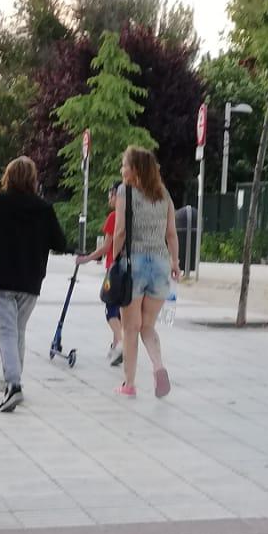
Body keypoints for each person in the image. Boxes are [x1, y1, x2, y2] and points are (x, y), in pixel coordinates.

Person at [0, 156, 71, 412]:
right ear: (32, 179)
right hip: (30, 280)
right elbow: (60, 243)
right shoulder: (44, 209)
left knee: (6, 332)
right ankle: (14, 383)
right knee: (18, 331)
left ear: (8, 177)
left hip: (2, 278)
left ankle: (13, 384)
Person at [112, 145, 180, 400]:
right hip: (161, 264)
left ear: (135, 169)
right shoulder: (164, 194)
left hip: (133, 264)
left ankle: (129, 384)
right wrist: (175, 262)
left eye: (125, 164)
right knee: (148, 326)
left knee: (130, 327)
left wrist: (113, 260)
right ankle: (158, 366)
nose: (122, 168)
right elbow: (171, 233)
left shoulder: (124, 192)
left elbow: (120, 231)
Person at [83, 185, 125, 367]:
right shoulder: (134, 216)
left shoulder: (115, 216)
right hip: (131, 269)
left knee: (111, 309)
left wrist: (87, 258)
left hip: (114, 269)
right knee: (123, 309)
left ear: (117, 195)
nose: (109, 198)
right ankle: (116, 346)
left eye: (111, 195)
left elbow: (107, 246)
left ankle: (122, 343)